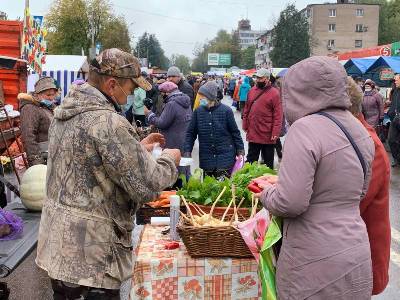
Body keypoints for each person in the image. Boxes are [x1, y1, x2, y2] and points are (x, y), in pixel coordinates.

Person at [36, 49, 181, 299]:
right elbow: (148, 185)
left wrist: (137, 149)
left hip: (59, 248)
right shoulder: (107, 122)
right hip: (92, 257)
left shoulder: (64, 113)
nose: (134, 94)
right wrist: (170, 159)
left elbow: (88, 159)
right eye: (132, 87)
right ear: (112, 84)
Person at [257, 56, 375, 299]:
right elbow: (358, 192)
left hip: (313, 259)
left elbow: (290, 202)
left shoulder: (304, 128)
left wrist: (266, 194)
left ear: (297, 91)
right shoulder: (358, 129)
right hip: (355, 249)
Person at [347, 76, 391, 296]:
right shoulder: (353, 138)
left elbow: (350, 204)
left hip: (363, 254)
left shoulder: (367, 143)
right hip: (351, 252)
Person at [184, 81, 245, 179]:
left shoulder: (226, 111)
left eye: (203, 96)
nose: (200, 99)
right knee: (209, 189)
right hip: (207, 159)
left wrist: (240, 151)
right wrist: (187, 151)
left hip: (225, 157)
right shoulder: (198, 112)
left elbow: (235, 133)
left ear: (210, 97)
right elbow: (190, 133)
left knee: (224, 190)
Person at [145, 81, 192, 181]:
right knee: (184, 167)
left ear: (166, 92)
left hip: (172, 141)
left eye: (162, 93)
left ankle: (176, 190)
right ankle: (185, 188)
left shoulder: (171, 104)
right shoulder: (186, 101)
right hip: (185, 140)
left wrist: (149, 114)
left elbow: (162, 123)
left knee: (175, 168)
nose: (161, 96)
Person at [242, 68, 282, 169]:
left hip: (267, 134)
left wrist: (275, 133)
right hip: (254, 132)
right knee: (251, 162)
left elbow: (278, 115)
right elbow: (246, 109)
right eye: (257, 78)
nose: (258, 80)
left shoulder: (275, 93)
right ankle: (249, 182)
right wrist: (245, 124)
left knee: (268, 164)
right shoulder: (251, 91)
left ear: (267, 79)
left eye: (260, 78)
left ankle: (266, 183)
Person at [18, 76, 57, 166]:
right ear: (38, 94)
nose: (51, 98)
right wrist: (36, 161)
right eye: (48, 95)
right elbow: (28, 136)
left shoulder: (48, 106)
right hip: (42, 158)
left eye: (53, 94)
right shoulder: (29, 108)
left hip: (51, 156)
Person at [387, 73, 400, 167]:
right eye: (394, 80)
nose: (395, 82)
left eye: (396, 80)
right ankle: (396, 158)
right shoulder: (395, 90)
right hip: (394, 119)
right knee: (391, 140)